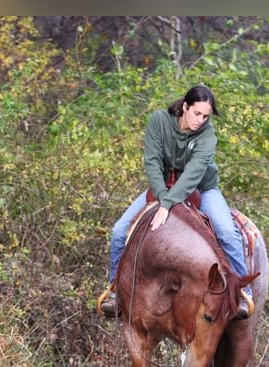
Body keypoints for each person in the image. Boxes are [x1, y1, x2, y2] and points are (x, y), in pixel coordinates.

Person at [99, 85, 253, 319]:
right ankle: (115, 290)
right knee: (120, 230)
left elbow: (194, 173)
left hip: (202, 187)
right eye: (196, 113)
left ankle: (242, 293)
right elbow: (151, 162)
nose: (200, 120)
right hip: (162, 185)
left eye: (205, 116)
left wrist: (167, 205)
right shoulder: (159, 121)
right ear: (185, 107)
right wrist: (163, 199)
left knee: (226, 231)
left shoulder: (207, 134)